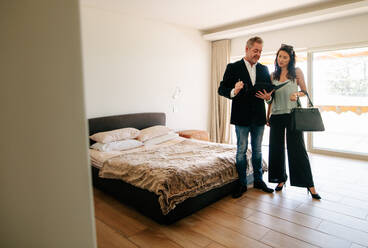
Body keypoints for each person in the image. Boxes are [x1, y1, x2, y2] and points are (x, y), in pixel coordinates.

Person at [256, 44, 321, 199]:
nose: (281, 60)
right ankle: (280, 179)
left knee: (298, 150)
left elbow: (305, 91)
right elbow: (271, 98)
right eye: (279, 56)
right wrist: (267, 106)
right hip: (276, 116)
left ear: (290, 59)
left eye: (285, 57)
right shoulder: (272, 75)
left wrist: (297, 95)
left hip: (292, 115)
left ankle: (309, 185)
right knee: (276, 149)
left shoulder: (297, 72)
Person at [218, 36, 274, 198]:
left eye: (260, 51)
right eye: (256, 50)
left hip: (258, 117)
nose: (258, 54)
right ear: (247, 49)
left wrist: (267, 97)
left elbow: (269, 94)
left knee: (257, 150)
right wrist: (234, 91)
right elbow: (221, 89)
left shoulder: (264, 69)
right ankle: (242, 183)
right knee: (241, 151)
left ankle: (258, 181)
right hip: (241, 117)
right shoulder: (233, 67)